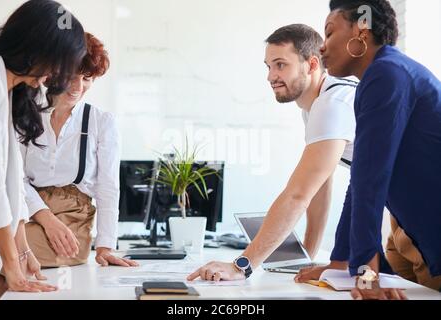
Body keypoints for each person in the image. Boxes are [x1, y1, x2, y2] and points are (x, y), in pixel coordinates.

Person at [188, 24, 357, 282]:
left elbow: (298, 195)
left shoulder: (332, 104)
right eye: (268, 66)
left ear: (311, 65)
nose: (270, 76)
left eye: (280, 65)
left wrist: (241, 266)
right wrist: (307, 256)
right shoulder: (314, 107)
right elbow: (320, 184)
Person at [295, 0, 441, 300]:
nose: (322, 48)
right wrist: (341, 261)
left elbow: (369, 180)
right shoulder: (381, 77)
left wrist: (366, 269)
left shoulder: (387, 74)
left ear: (361, 31)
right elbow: (362, 177)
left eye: (330, 32)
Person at [0, 0, 86, 297]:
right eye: (58, 63)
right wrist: (12, 264)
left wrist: (22, 254)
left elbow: (11, 184)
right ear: (37, 48)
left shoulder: (8, 90)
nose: (55, 75)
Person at [21, 33, 138, 268]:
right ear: (51, 74)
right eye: (71, 76)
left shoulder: (101, 122)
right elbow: (15, 178)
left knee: (4, 251)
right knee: (4, 244)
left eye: (86, 78)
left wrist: (105, 246)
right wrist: (45, 217)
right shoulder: (25, 116)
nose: (78, 87)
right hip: (28, 211)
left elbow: (108, 187)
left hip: (72, 218)